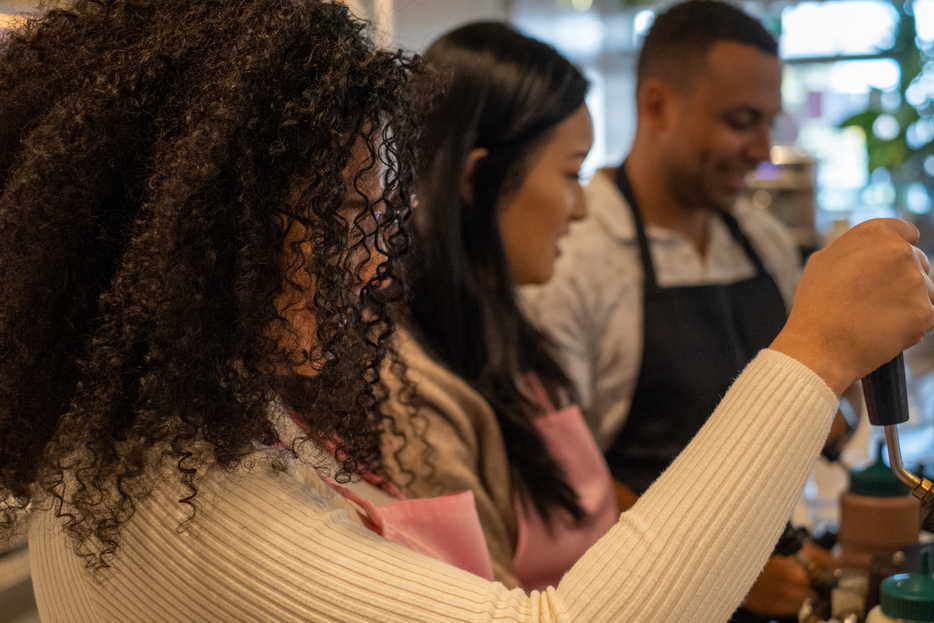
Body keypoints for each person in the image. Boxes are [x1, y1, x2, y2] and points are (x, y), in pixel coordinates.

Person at [1, 2, 932, 622]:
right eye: (338, 219)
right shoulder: (186, 510)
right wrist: (811, 352)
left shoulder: (180, 440)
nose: (371, 266)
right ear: (202, 230)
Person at [521, 1, 852, 617]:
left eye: (768, 123)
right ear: (656, 106)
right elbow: (559, 480)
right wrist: (734, 570)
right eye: (740, 121)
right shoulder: (572, 260)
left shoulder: (764, 242)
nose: (762, 149)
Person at [376, 22, 618, 590]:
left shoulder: (508, 337)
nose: (581, 208)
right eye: (572, 172)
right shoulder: (410, 388)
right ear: (478, 178)